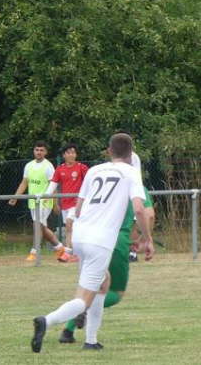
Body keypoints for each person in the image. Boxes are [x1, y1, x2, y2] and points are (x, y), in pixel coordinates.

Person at [31, 133, 154, 353]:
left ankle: (91, 340)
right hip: (100, 240)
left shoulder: (94, 170)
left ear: (109, 150)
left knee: (102, 284)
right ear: (130, 151)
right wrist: (147, 238)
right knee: (84, 297)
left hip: (80, 234)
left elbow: (78, 208)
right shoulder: (131, 172)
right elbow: (138, 208)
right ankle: (46, 321)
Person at [59, 187, 155, 343]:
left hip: (92, 238)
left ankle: (68, 331)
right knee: (116, 293)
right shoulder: (135, 184)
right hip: (117, 240)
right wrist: (145, 238)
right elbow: (149, 215)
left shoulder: (101, 181)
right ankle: (81, 312)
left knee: (89, 288)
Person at [9, 141, 67, 261]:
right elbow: (24, 183)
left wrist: (55, 203)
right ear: (34, 151)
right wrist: (15, 197)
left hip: (45, 202)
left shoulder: (48, 166)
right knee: (42, 228)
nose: (39, 152)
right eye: (37, 150)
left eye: (41, 150)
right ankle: (60, 247)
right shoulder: (29, 165)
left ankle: (34, 252)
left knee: (38, 225)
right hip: (33, 202)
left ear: (45, 152)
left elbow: (54, 185)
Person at [45, 144, 88, 262]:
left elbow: (89, 183)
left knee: (70, 223)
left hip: (78, 203)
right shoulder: (60, 169)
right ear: (64, 155)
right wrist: (45, 197)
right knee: (69, 228)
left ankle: (68, 251)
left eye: (73, 152)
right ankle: (76, 253)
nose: (71, 155)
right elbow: (53, 185)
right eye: (68, 152)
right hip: (65, 203)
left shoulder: (81, 167)